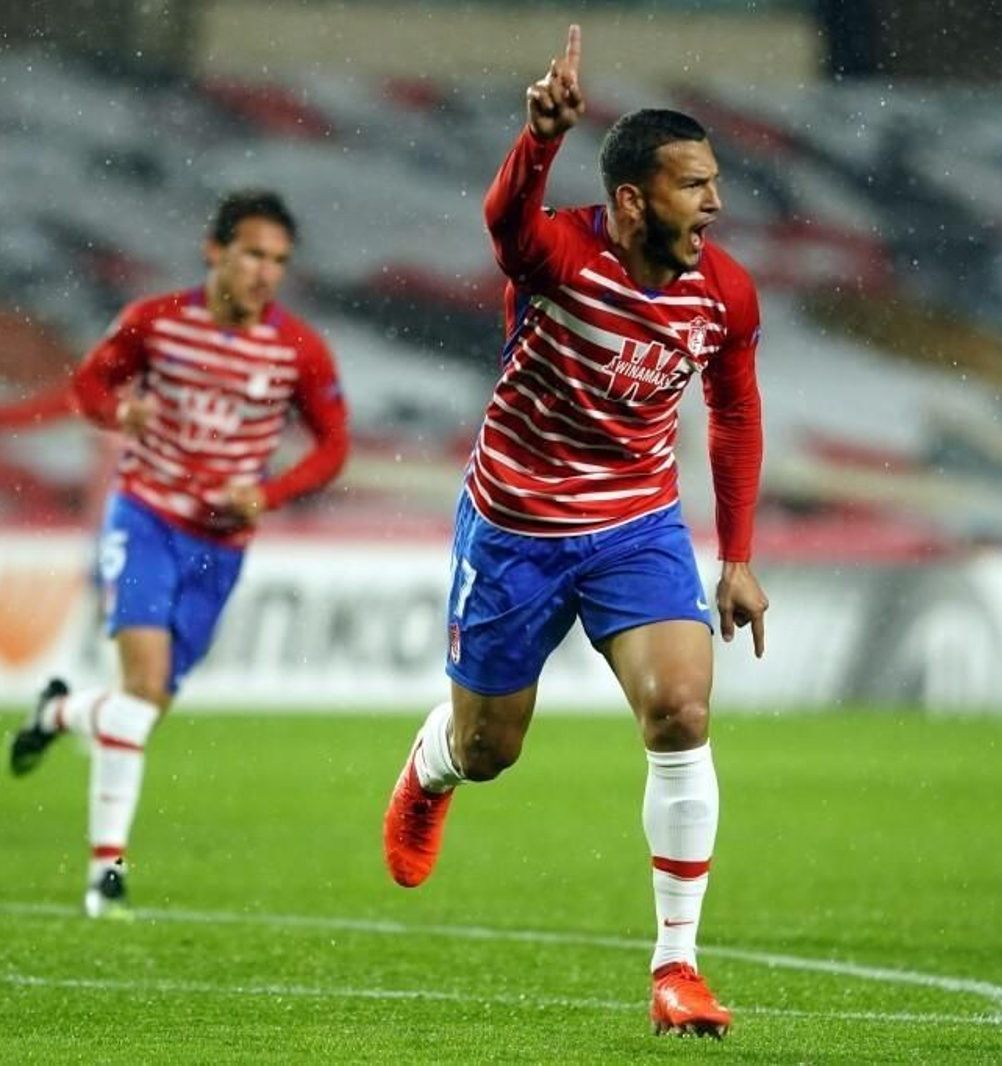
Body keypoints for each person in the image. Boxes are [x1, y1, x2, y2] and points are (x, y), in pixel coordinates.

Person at [381, 24, 768, 1041]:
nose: (715, 203)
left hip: (635, 526)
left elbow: (733, 408)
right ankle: (430, 769)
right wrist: (538, 137)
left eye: (714, 182)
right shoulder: (559, 253)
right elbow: (504, 221)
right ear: (634, 198)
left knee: (681, 709)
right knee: (488, 746)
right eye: (694, 186)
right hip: (513, 528)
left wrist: (736, 555)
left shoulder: (721, 292)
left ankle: (675, 966)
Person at [8, 190, 351, 919]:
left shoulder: (298, 349)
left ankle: (59, 713)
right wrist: (117, 411)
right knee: (144, 685)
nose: (266, 272)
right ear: (215, 250)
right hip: (146, 518)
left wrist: (270, 493)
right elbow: (90, 386)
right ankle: (107, 875)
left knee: (148, 705)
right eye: (254, 253)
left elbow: (333, 446)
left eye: (279, 261)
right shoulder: (156, 321)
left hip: (221, 545)